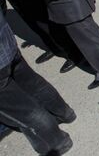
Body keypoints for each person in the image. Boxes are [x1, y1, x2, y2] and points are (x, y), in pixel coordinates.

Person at [0, 10, 75, 155]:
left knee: (20, 108)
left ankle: (57, 143)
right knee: (33, 83)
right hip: (7, 43)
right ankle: (64, 113)